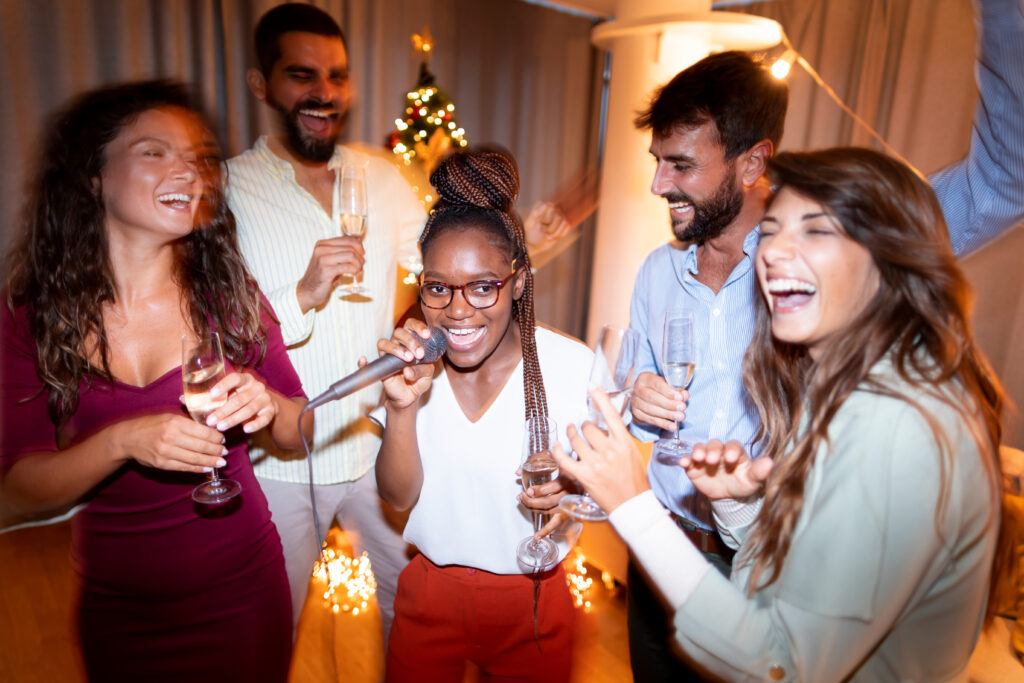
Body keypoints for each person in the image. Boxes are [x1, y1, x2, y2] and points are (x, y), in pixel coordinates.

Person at [624, 0, 1024, 678]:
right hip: (693, 539)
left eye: (682, 164)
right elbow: (631, 384)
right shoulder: (660, 271)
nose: (659, 183)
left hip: (759, 563)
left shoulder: (885, 398)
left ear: (753, 163)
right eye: (777, 233)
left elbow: (1004, 176)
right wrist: (642, 402)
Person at [556, 147, 1005, 682]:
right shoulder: (841, 391)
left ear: (890, 260)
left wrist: (634, 505)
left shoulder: (895, 423)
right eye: (770, 231)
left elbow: (781, 666)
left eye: (816, 231)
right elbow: (806, 589)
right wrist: (739, 507)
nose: (773, 253)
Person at [0, 80, 312, 682]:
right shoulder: (34, 317)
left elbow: (300, 430)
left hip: (243, 595)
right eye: (153, 152)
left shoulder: (228, 297)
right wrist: (122, 441)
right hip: (119, 609)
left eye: (196, 158)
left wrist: (269, 404)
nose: (188, 172)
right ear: (94, 175)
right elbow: (15, 493)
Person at [226, 3, 426, 638]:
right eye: (302, 75)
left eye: (337, 77)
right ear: (261, 85)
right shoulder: (226, 191)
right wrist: (304, 292)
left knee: (412, 614)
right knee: (273, 632)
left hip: (377, 450)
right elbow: (219, 333)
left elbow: (435, 275)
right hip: (276, 468)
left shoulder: (384, 179)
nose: (325, 93)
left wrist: (416, 328)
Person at [371, 148, 592, 681]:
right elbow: (397, 497)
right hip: (430, 596)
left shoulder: (570, 365)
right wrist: (401, 411)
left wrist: (571, 491)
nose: (459, 309)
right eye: (439, 286)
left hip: (534, 605)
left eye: (483, 286)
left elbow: (599, 491)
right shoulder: (414, 368)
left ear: (517, 282)